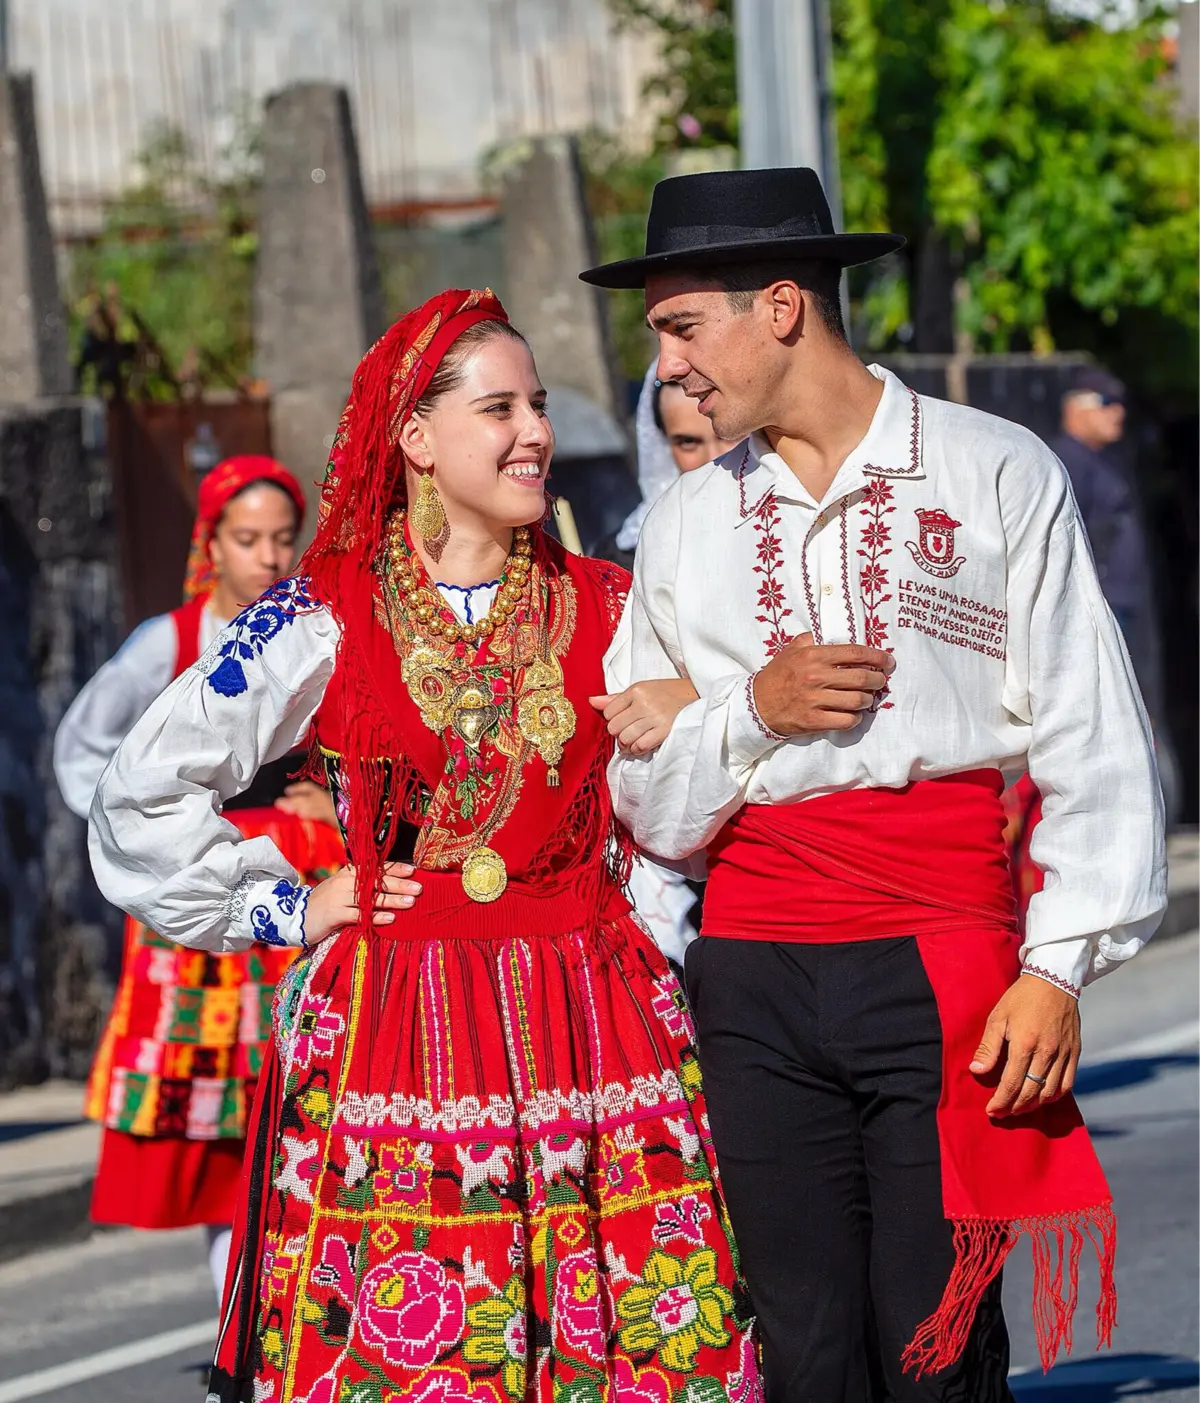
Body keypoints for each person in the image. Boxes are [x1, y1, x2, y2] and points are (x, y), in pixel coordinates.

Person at [89, 290, 760, 1403]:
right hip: (402, 1027)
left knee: (636, 1337)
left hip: (595, 1021)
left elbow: (676, 804)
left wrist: (706, 704)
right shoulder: (325, 614)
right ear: (416, 439)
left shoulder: (612, 602)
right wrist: (286, 907)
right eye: (499, 407)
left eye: (538, 404)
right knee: (426, 1351)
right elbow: (139, 790)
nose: (535, 430)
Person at [583, 169, 1166, 1403]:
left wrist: (1058, 967)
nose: (671, 367)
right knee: (800, 1348)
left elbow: (1089, 731)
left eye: (683, 327)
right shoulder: (687, 519)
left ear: (782, 306)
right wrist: (755, 708)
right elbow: (649, 807)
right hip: (752, 959)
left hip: (942, 950)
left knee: (936, 1347)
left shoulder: (989, 468)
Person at [55, 455, 344, 1301]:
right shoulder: (170, 641)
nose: (268, 557)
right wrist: (149, 842)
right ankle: (242, 1319)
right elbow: (87, 746)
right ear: (210, 543)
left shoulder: (312, 631)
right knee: (224, 1118)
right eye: (247, 539)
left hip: (301, 867)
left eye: (284, 541)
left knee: (304, 1095)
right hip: (211, 892)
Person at [601, 364, 737, 964]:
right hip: (660, 826)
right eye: (688, 441)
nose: (713, 457)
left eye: (725, 433)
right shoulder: (621, 561)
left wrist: (691, 692)